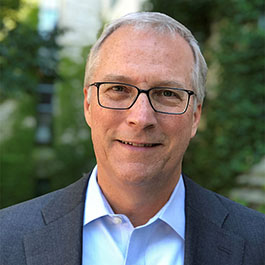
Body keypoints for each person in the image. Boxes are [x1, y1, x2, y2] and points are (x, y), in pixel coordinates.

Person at [0, 12, 264, 265]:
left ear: (195, 116)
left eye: (167, 93)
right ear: (89, 105)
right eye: (118, 89)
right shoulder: (6, 240)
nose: (141, 117)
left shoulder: (257, 245)